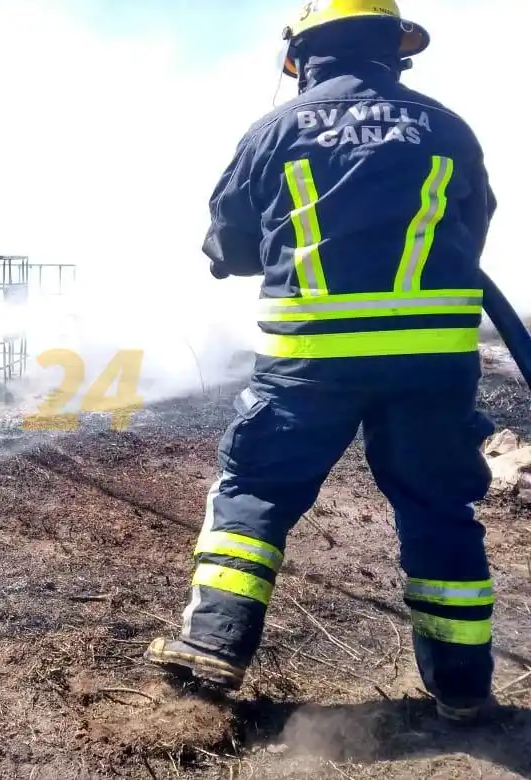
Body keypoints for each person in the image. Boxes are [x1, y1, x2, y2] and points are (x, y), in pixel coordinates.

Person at [145, 0, 498, 724]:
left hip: (312, 360)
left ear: (302, 55)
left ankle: (213, 648)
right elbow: (473, 226)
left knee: (255, 493)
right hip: (431, 361)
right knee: (439, 508)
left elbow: (229, 248)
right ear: (394, 50)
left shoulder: (273, 131)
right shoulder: (448, 126)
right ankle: (463, 689)